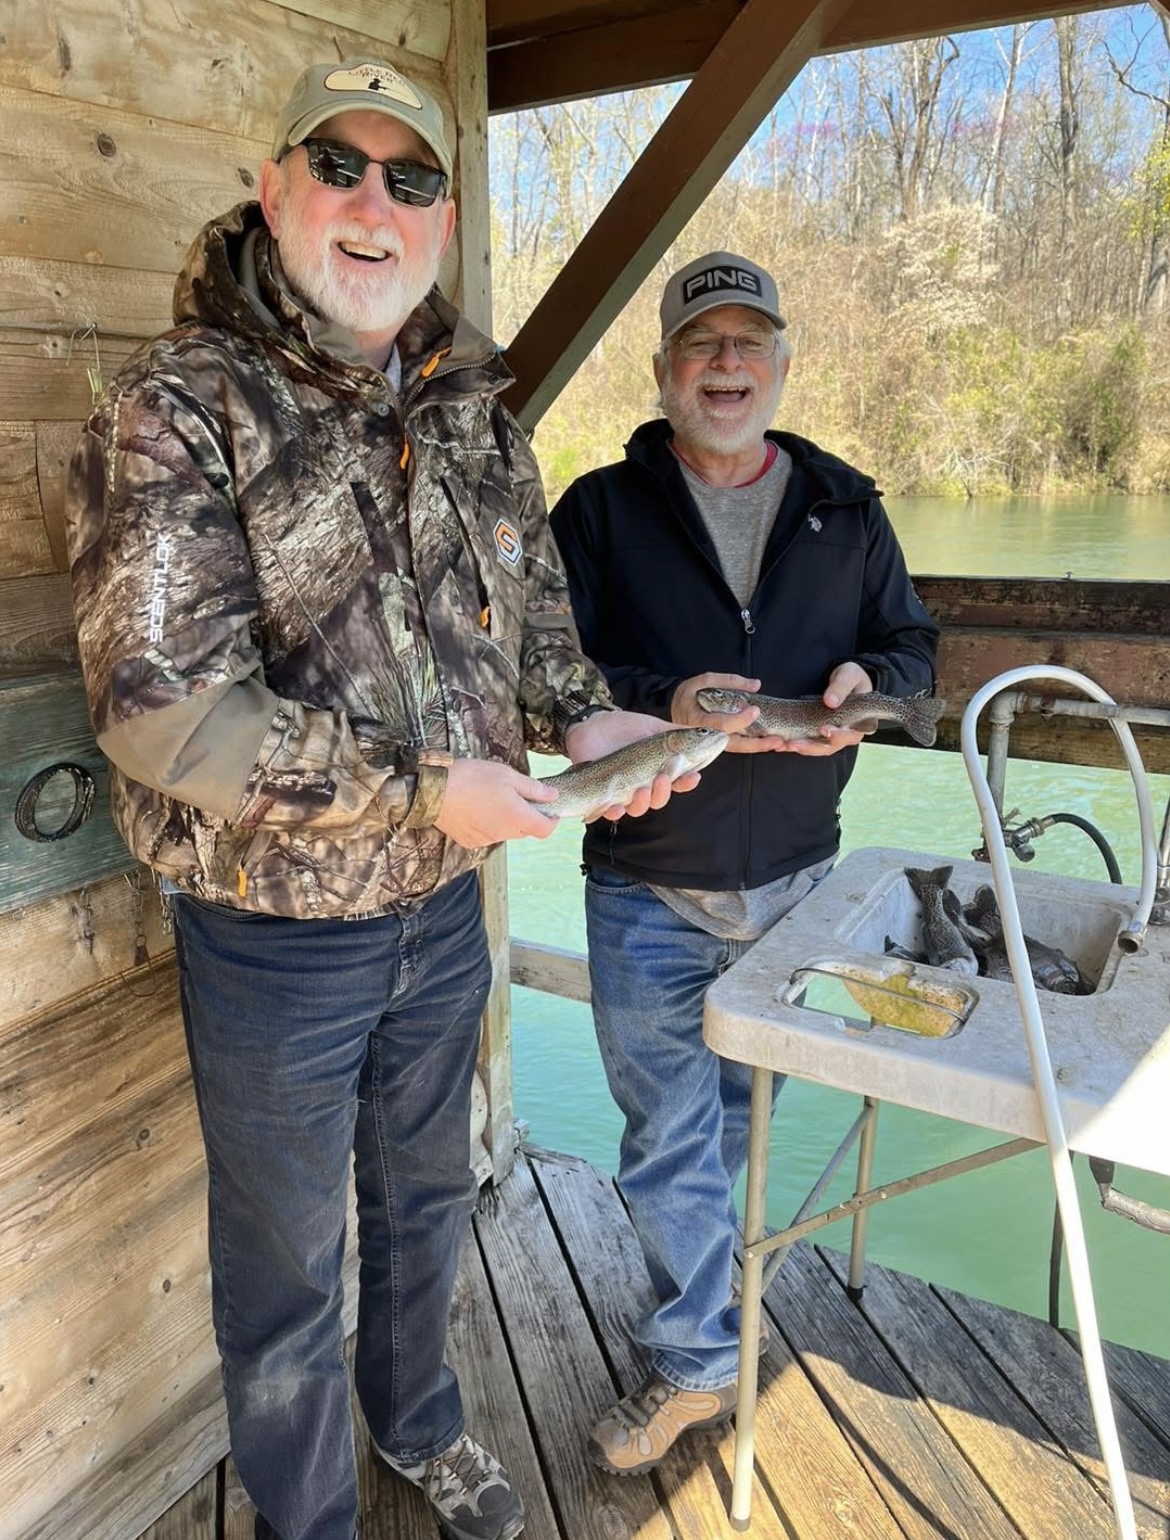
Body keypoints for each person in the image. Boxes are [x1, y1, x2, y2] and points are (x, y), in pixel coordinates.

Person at [64, 58, 697, 1540]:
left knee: (423, 1206)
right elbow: (164, 711)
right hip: (272, 942)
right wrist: (425, 793)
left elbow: (537, 638)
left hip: (444, 919)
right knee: (286, 1265)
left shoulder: (477, 413)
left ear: (445, 219)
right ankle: (308, 1520)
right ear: (275, 190)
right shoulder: (179, 403)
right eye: (337, 167)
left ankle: (418, 1424)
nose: (373, 204)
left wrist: (591, 717)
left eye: (410, 179)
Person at [550, 250, 940, 1476]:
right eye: (702, 344)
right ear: (664, 368)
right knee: (666, 1136)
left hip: (798, 886)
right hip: (646, 879)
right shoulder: (597, 512)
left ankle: (704, 1317)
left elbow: (912, 646)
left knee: (730, 1126)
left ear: (779, 363)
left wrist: (873, 686)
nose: (727, 364)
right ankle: (695, 1363)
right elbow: (548, 673)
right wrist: (666, 696)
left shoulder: (847, 508)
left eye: (748, 343)